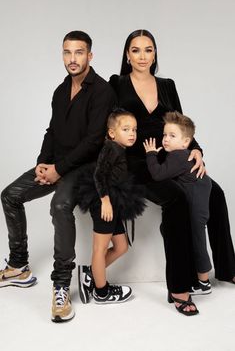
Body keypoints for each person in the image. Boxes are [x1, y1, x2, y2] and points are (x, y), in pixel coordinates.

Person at [109, 29, 235, 316]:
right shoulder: (117, 83)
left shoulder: (167, 84)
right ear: (127, 55)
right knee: (176, 200)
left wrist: (196, 149)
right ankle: (179, 287)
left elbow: (180, 122)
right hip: (137, 162)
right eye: (136, 50)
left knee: (215, 192)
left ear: (155, 54)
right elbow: (110, 128)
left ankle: (227, 268)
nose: (143, 56)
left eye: (149, 49)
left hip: (173, 155)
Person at [0, 30, 116, 323]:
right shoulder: (60, 90)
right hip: (56, 164)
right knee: (10, 195)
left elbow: (93, 141)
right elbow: (52, 131)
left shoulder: (102, 91)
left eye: (79, 53)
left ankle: (61, 285)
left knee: (60, 206)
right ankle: (19, 266)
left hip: (84, 168)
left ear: (90, 55)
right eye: (67, 52)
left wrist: (59, 170)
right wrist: (42, 162)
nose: (72, 59)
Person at [77, 109, 145, 304]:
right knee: (100, 249)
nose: (132, 133)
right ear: (112, 133)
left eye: (134, 129)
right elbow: (99, 175)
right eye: (126, 129)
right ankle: (101, 291)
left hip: (113, 201)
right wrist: (105, 201)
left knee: (122, 246)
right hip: (103, 201)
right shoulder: (111, 148)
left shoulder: (119, 149)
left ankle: (90, 274)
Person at [144, 111, 212, 295]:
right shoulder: (180, 154)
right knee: (174, 231)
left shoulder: (179, 156)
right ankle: (197, 277)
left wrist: (150, 154)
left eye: (172, 136)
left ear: (185, 142)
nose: (165, 139)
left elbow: (158, 175)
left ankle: (204, 283)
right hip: (197, 198)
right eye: (165, 135)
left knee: (197, 239)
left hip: (197, 204)